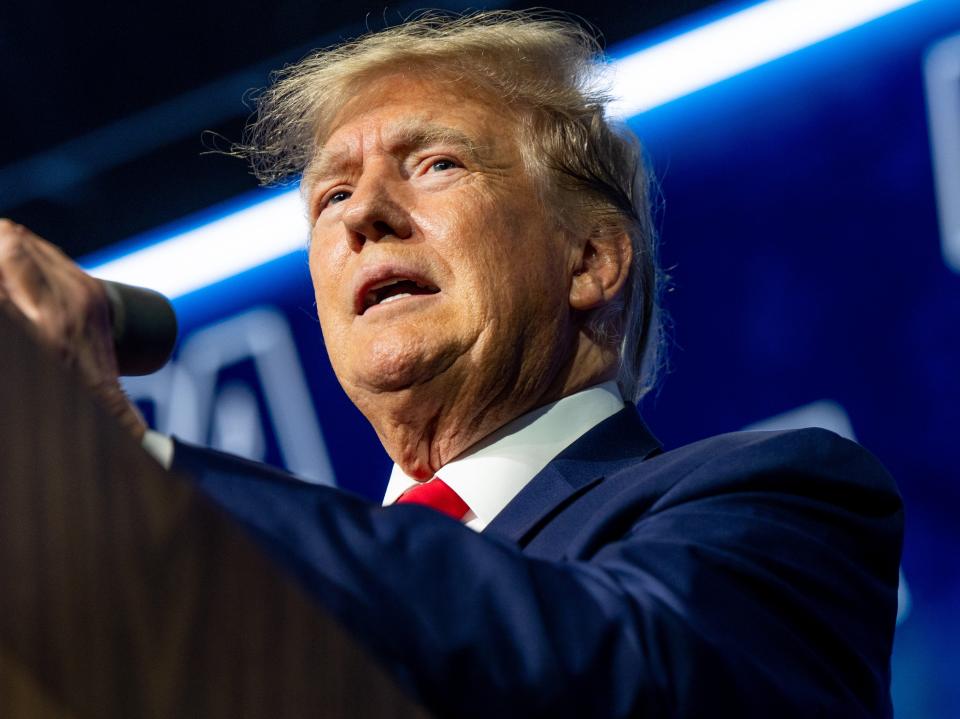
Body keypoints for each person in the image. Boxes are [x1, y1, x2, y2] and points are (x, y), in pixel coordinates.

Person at [0, 11, 902, 718]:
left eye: (434, 163)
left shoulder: (783, 502)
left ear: (591, 258)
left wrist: (127, 463)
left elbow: (620, 674)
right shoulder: (259, 605)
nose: (363, 217)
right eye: (333, 195)